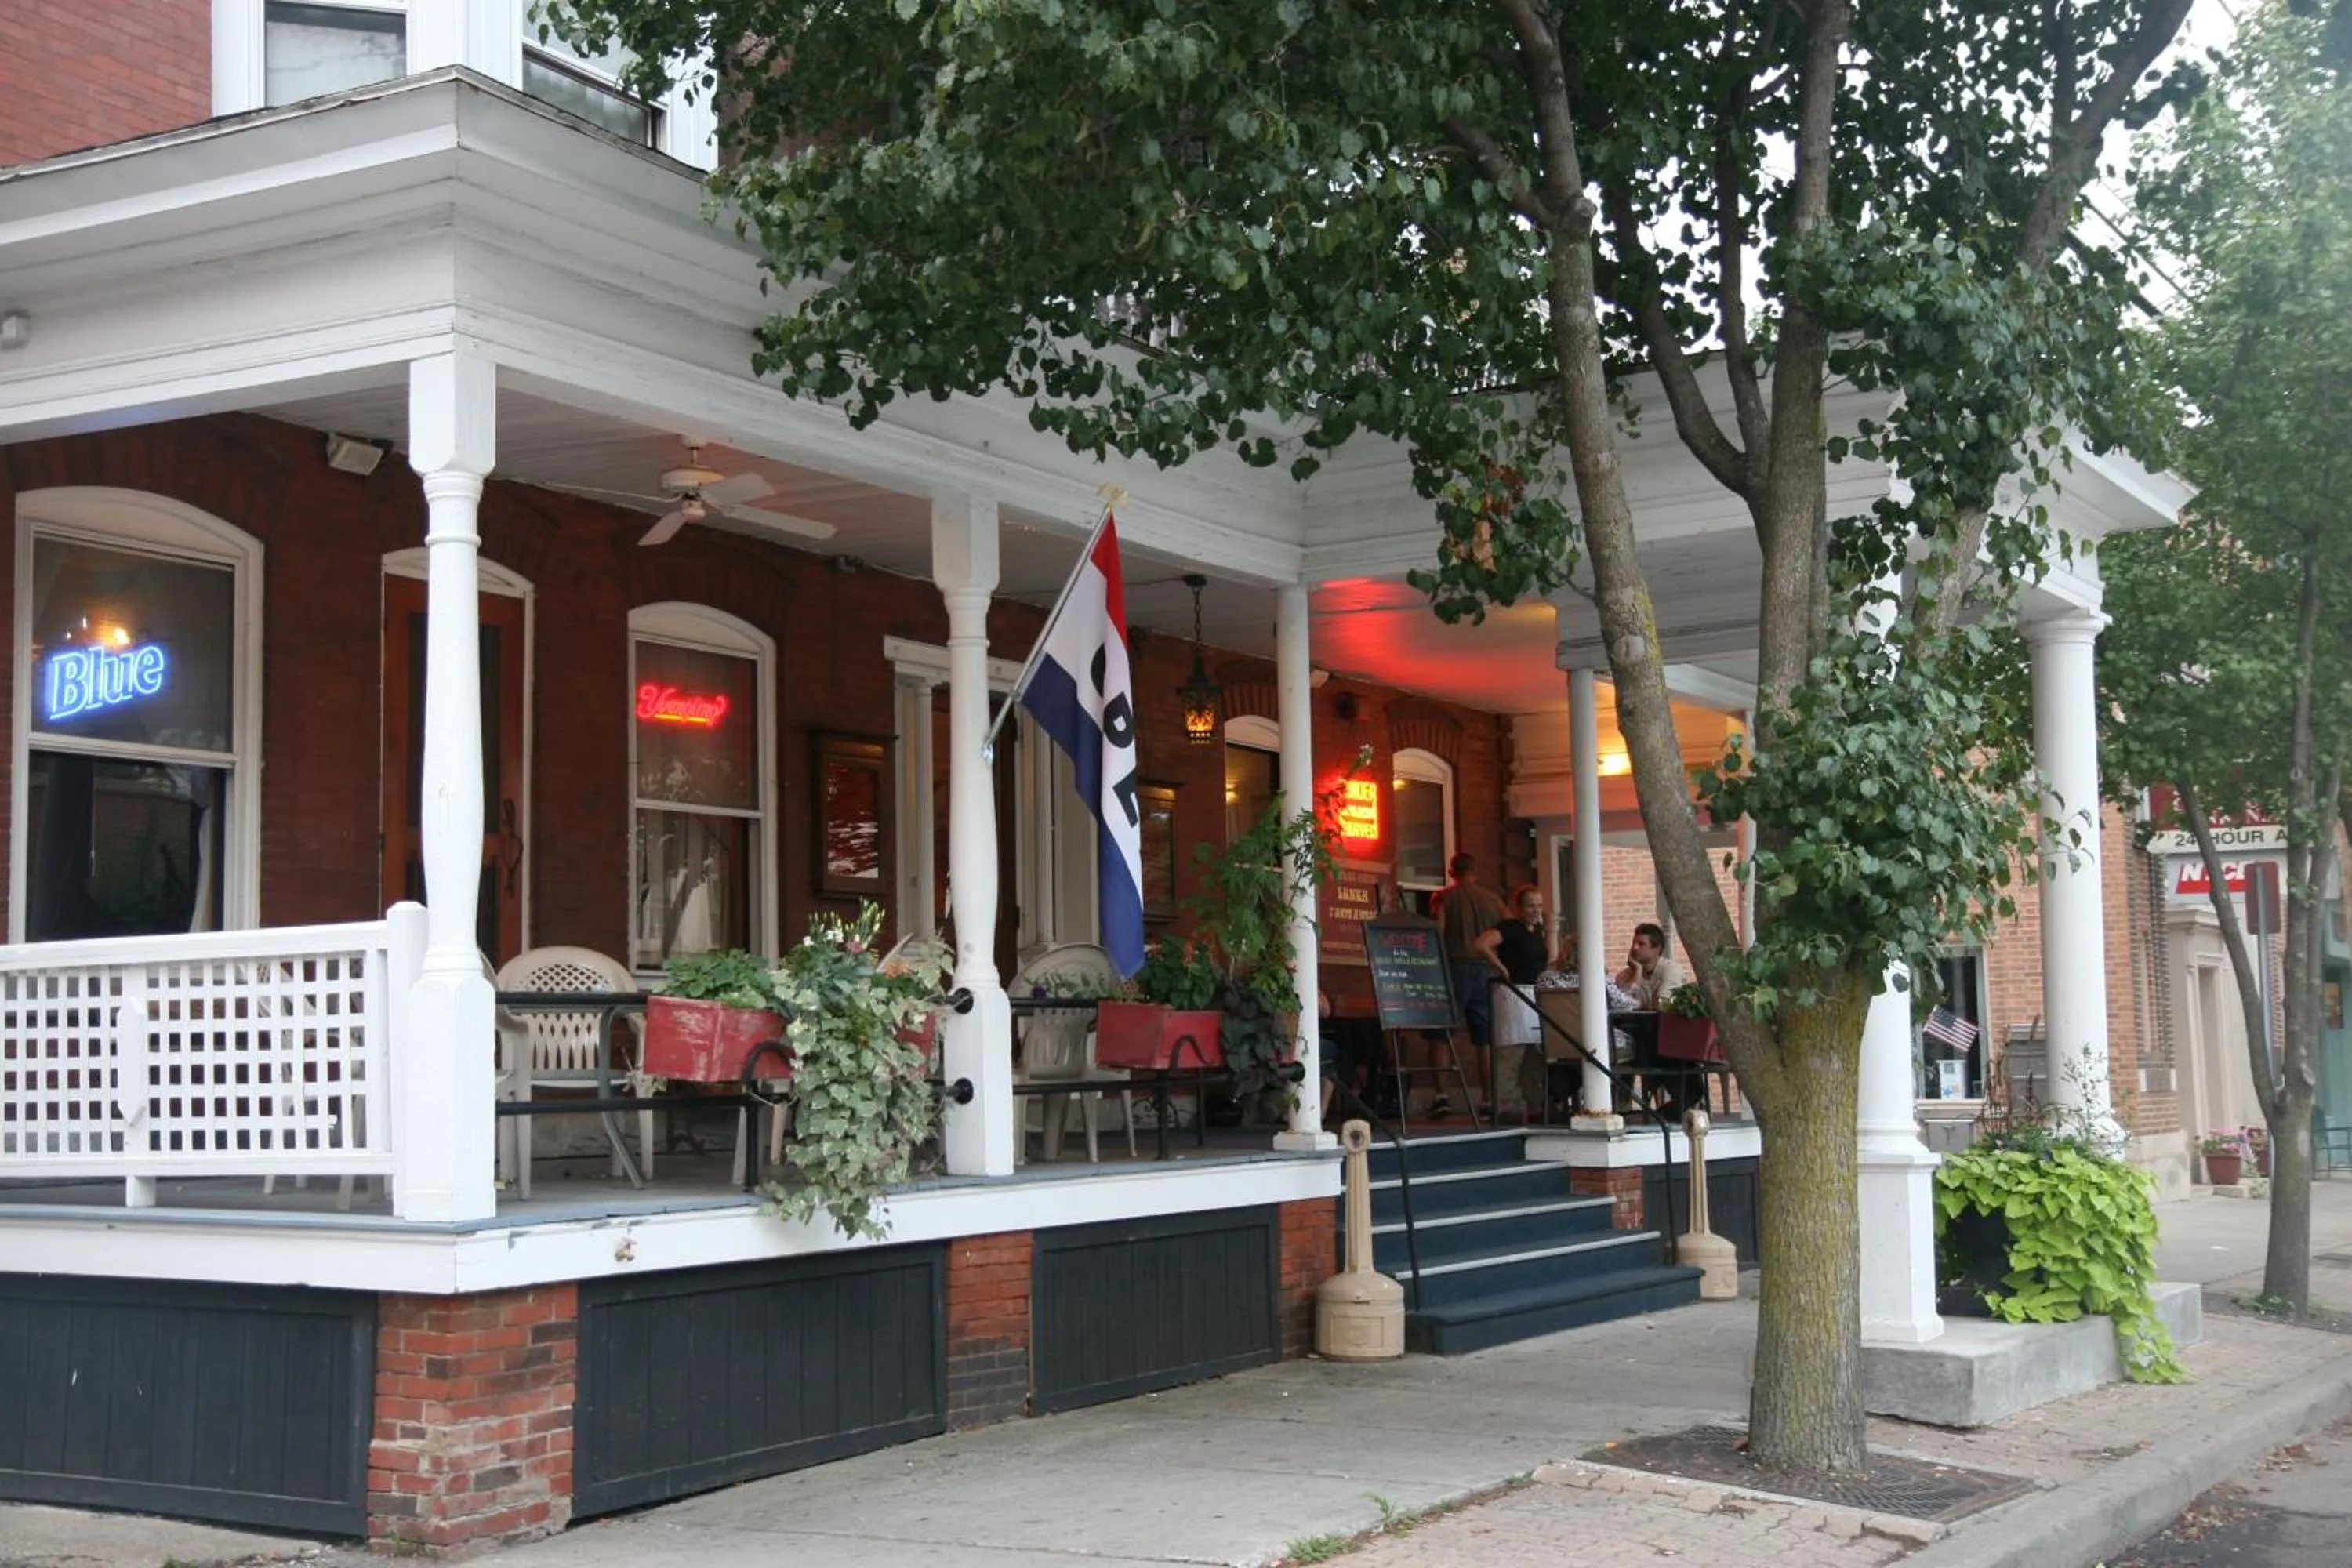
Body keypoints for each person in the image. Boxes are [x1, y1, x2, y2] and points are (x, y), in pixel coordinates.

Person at [1431, 851, 1507, 1117]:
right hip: (1487, 970)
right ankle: (1487, 1099)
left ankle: (1442, 1096)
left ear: (1453, 872)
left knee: (1442, 1034)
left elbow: (1437, 934)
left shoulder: (1445, 898)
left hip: (1455, 968)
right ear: (1475, 871)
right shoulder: (1493, 900)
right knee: (1484, 1038)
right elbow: (1507, 930)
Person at [1475, 884, 1556, 1121]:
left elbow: (1550, 960)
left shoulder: (1539, 930)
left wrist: (1551, 931)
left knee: (1535, 1053)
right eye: (1531, 905)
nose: (1536, 910)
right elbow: (1481, 944)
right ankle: (1505, 1107)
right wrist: (1500, 966)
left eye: (1539, 906)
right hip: (1512, 995)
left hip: (1534, 994)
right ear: (1518, 907)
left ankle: (1534, 1104)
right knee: (1511, 1053)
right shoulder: (1510, 927)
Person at [1615, 920, 1687, 1009]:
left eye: (1641, 944)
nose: (1634, 948)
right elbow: (1623, 1007)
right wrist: (1637, 972)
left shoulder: (1671, 970)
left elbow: (1665, 1006)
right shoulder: (1625, 975)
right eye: (1633, 943)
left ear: (1657, 948)